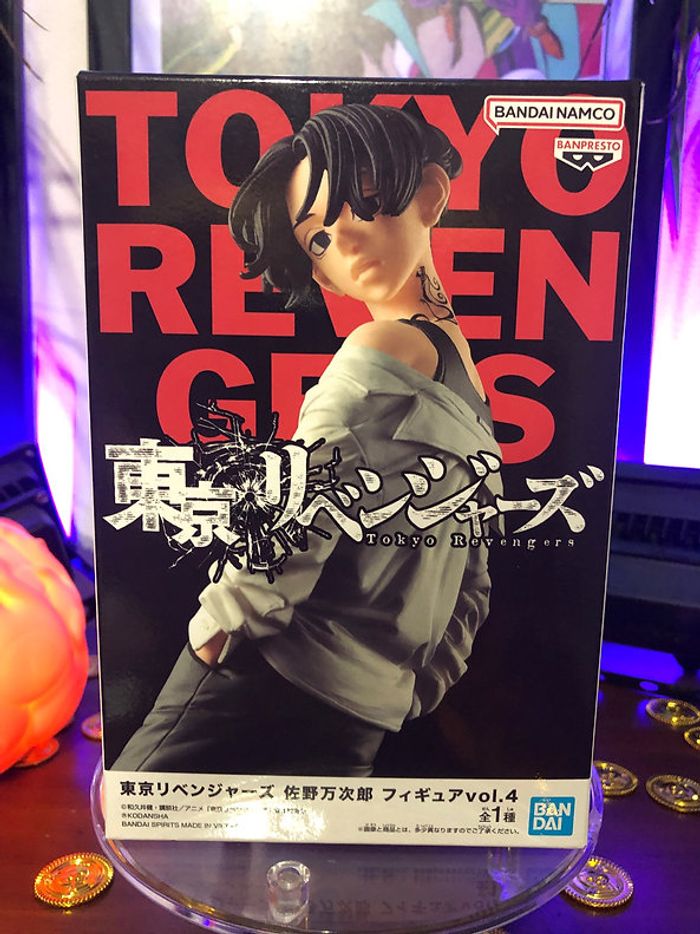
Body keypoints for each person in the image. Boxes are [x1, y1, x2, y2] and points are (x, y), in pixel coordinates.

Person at [113, 103, 503, 777]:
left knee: (141, 814)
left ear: (431, 194)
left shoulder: (383, 346)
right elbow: (473, 571)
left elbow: (295, 501)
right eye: (317, 238)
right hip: (364, 708)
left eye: (358, 202)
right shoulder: (472, 385)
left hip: (265, 672)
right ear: (321, 274)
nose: (343, 241)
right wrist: (418, 683)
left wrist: (218, 629)